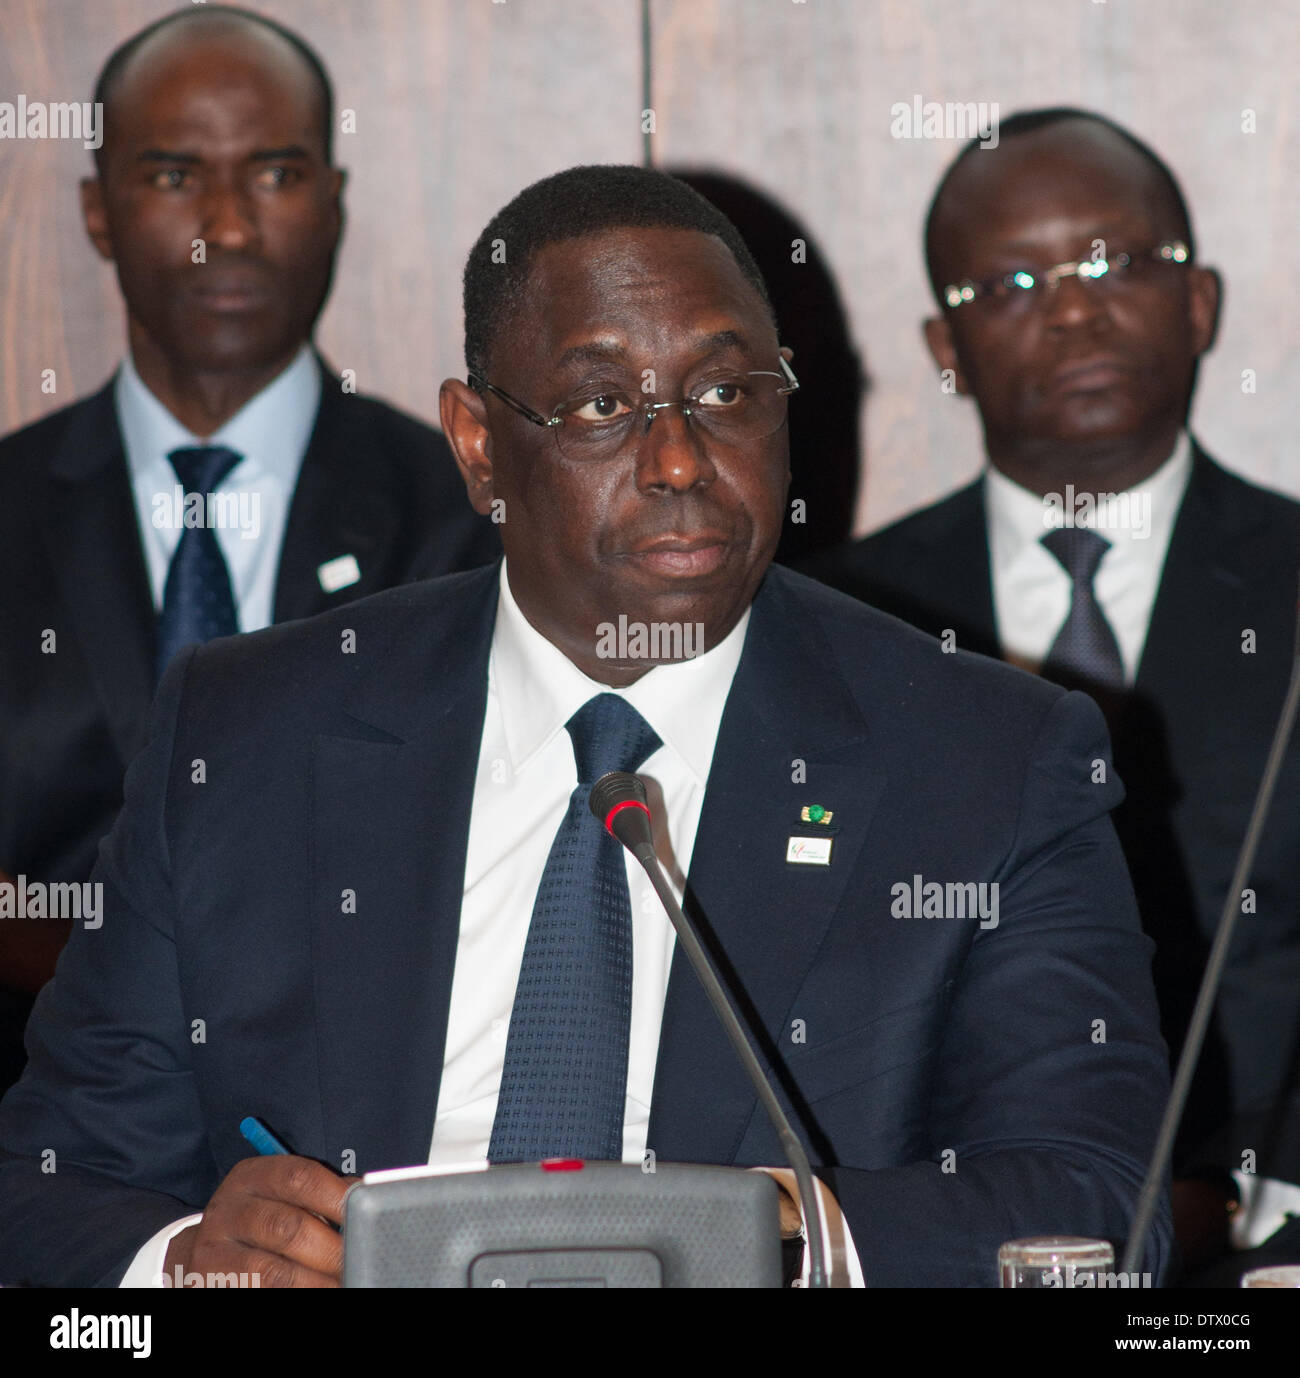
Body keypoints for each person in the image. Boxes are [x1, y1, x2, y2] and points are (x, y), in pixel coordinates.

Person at [0, 164, 1171, 1289]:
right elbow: (50, 1178)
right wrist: (195, 1259)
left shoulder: (987, 759)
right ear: (476, 444)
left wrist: (762, 1230)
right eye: (603, 405)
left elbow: (1100, 1199)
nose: (679, 461)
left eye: (724, 394)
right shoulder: (249, 733)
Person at [803, 108, 1300, 1278]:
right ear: (943, 347)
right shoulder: (837, 621)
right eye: (1016, 279)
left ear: (1200, 304)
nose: (1074, 307)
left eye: (1118, 263)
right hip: (958, 1229)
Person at [0, 4, 497, 1089]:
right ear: (96, 212)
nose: (224, 226)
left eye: (273, 174)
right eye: (174, 175)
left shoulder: (466, 516)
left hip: (379, 1143)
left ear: (332, 204)